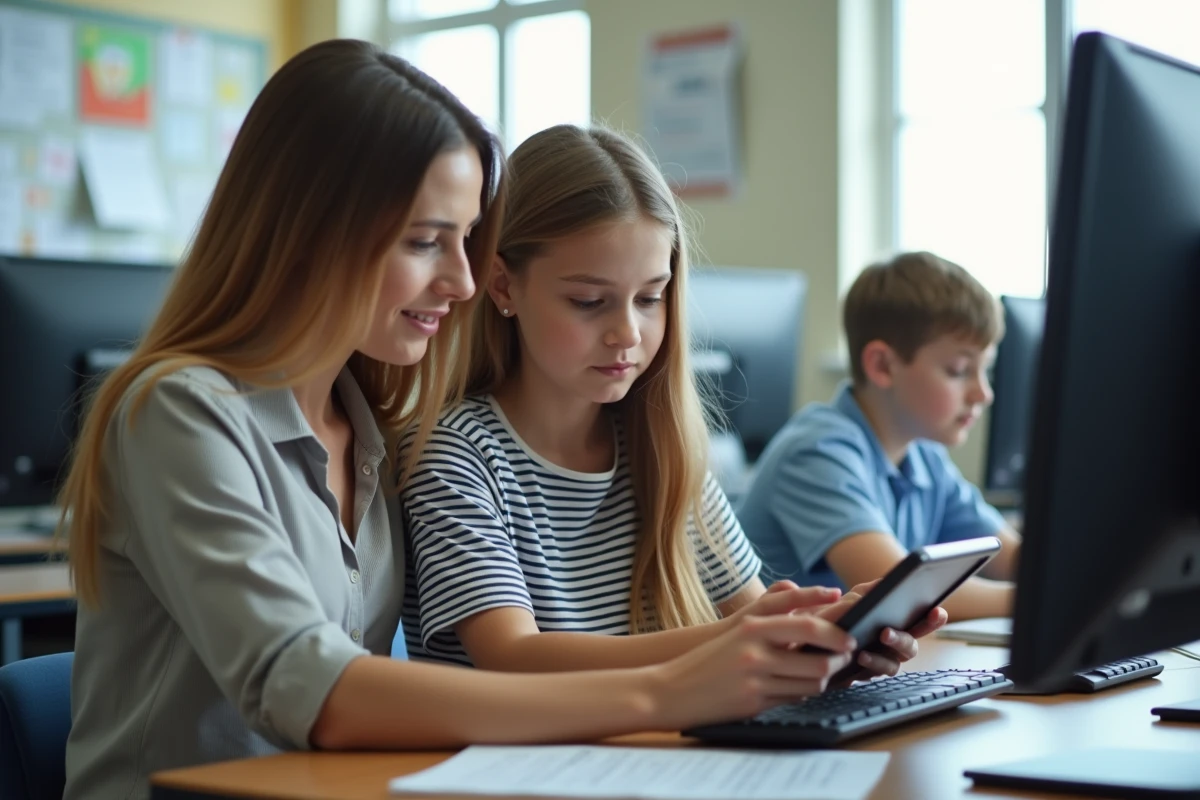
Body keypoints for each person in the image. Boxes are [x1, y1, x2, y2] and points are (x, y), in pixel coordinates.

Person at [55, 42, 867, 800]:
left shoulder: (363, 423)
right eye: (426, 242)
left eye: (467, 241)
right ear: (308, 233)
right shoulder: (178, 412)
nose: (466, 281)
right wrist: (671, 684)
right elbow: (315, 688)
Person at [398, 124, 944, 674]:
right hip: (515, 759)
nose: (627, 333)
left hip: (649, 752)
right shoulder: (454, 455)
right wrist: (744, 634)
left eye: (650, 298)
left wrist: (834, 644)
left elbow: (752, 617)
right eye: (589, 301)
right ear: (503, 286)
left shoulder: (664, 447)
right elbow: (512, 655)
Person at [737, 251, 1022, 621]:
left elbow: (1011, 559)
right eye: (959, 370)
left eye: (987, 371)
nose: (983, 394)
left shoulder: (924, 458)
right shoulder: (816, 453)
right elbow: (900, 592)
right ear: (882, 365)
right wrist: (1036, 602)